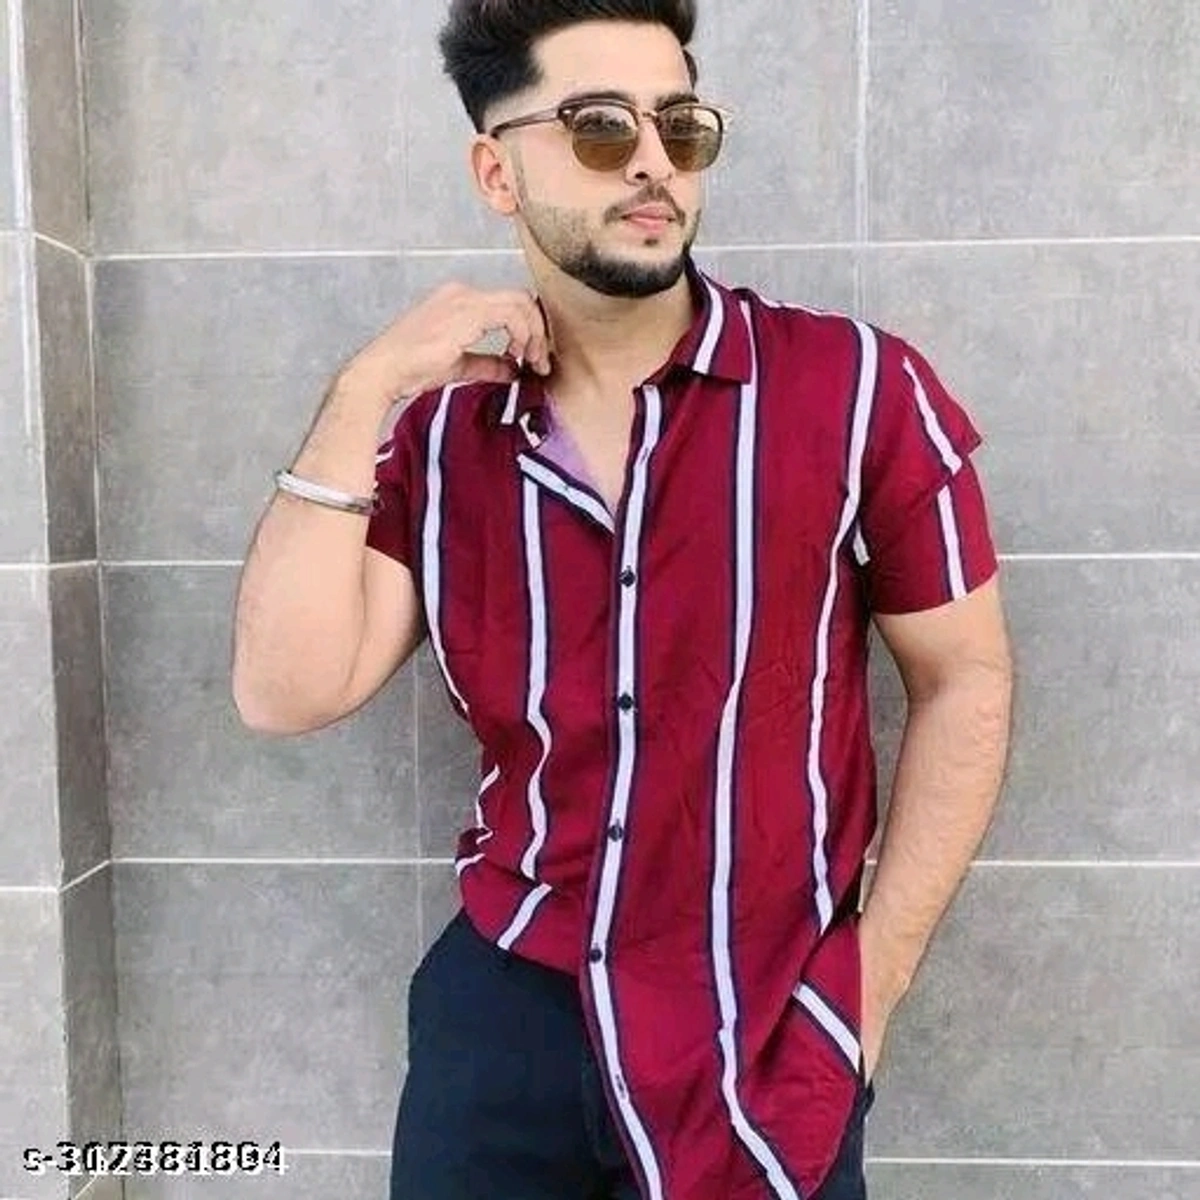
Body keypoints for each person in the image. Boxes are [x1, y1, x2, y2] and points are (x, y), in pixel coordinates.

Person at [231, 1, 1014, 1196]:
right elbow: (285, 693)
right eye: (598, 126)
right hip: (509, 1018)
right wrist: (370, 386)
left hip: (764, 1027)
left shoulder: (858, 391)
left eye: (680, 125)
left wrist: (867, 991)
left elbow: (965, 679)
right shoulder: (440, 436)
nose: (652, 160)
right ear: (496, 172)